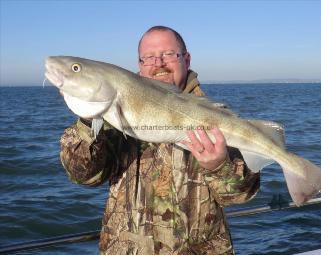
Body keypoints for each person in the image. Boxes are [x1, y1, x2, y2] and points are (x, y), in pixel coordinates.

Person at [60, 26, 260, 255]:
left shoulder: (218, 119)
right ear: (140, 65)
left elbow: (241, 195)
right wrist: (87, 120)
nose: (158, 63)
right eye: (149, 57)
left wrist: (219, 166)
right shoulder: (111, 117)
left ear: (186, 58)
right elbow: (84, 176)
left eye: (168, 54)